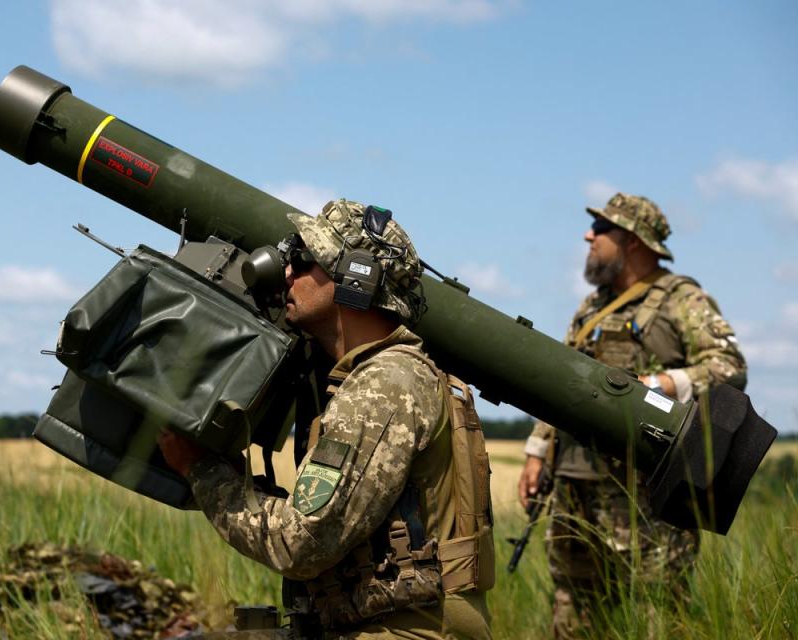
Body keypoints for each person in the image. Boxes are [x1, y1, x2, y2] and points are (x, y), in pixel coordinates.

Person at [159, 199, 495, 639]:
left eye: (302, 260)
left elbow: (299, 544)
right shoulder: (387, 376)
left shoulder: (383, 386)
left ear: (355, 278)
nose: (285, 275)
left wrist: (199, 470)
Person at [517, 192, 747, 638]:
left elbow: (729, 367)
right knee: (573, 612)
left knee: (656, 613)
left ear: (634, 242)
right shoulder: (590, 309)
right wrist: (535, 452)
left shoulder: (682, 299)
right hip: (574, 489)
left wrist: (661, 385)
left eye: (602, 229)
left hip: (644, 497)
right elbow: (558, 383)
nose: (589, 235)